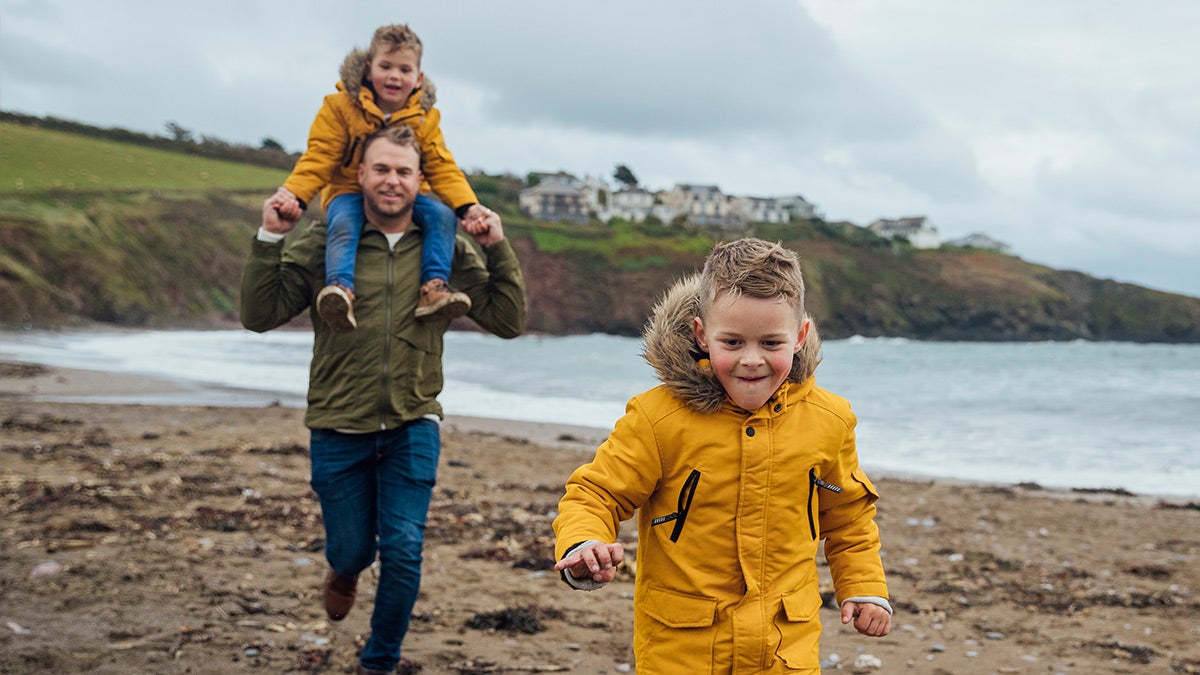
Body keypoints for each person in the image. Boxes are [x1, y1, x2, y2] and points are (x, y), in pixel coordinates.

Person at [241, 124, 526, 675]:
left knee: (403, 550)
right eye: (381, 169)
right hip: (336, 425)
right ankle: (344, 571)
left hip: (413, 422)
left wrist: (496, 246)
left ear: (421, 179)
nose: (392, 181)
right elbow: (259, 315)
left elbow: (509, 321)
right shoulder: (329, 240)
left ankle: (379, 662)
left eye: (403, 171)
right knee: (352, 551)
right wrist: (271, 237)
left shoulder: (445, 246)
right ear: (361, 175)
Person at [552, 238, 890, 674]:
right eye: (732, 342)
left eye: (771, 343)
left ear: (800, 337)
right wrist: (585, 545)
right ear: (701, 335)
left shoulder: (829, 420)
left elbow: (848, 517)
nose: (752, 360)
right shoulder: (659, 418)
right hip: (682, 651)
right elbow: (594, 494)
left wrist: (864, 587)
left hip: (785, 650)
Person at [270, 23, 492, 332]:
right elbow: (320, 156)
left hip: (407, 196)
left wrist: (468, 207)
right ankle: (340, 291)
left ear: (418, 78)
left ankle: (434, 288)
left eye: (404, 69)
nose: (394, 76)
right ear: (367, 68)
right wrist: (294, 194)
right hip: (348, 190)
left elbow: (441, 166)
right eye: (385, 66)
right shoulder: (339, 107)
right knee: (345, 223)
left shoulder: (425, 117)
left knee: (441, 217)